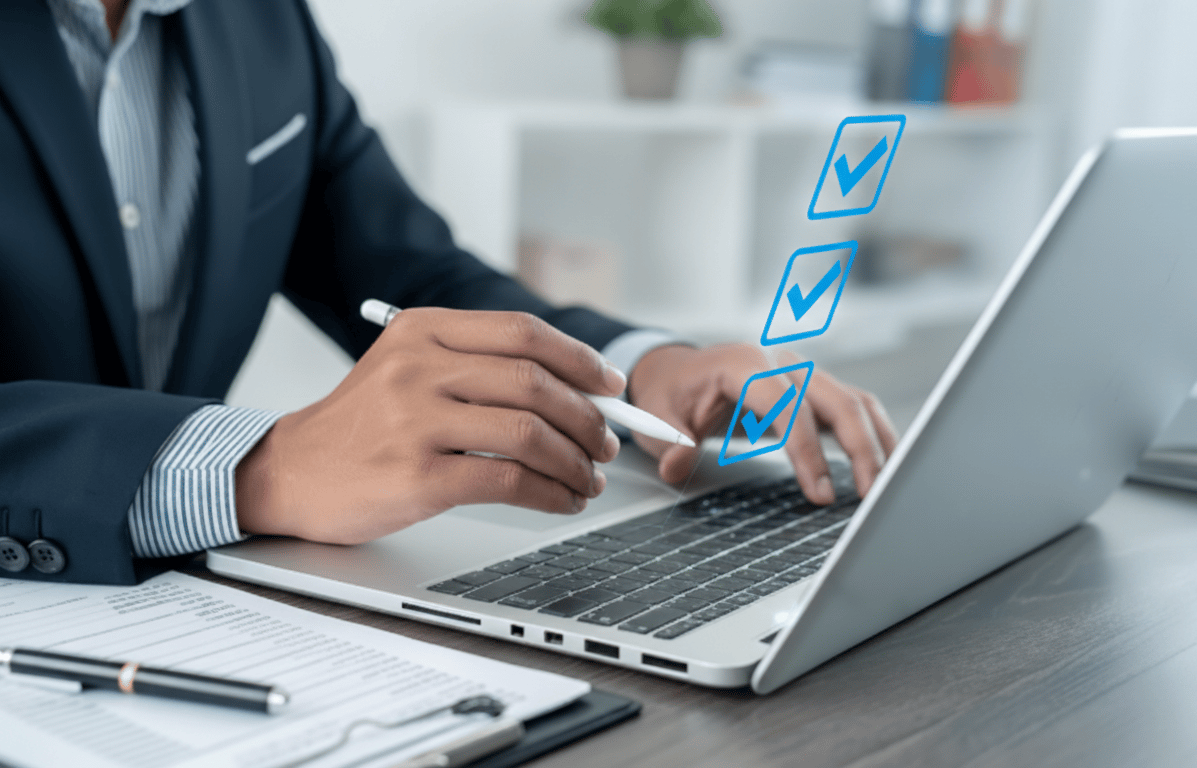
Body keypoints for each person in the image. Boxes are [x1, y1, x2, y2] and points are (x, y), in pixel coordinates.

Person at [0, 0, 898, 585]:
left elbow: (415, 273)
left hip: (193, 606)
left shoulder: (265, 24)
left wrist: (644, 369)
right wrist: (260, 469)